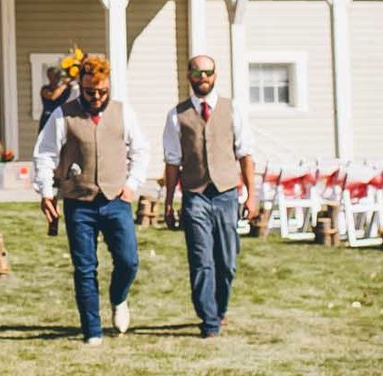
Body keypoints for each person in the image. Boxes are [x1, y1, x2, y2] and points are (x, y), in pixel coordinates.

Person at [31, 53, 153, 344]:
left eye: (102, 92)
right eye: (90, 92)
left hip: (115, 198)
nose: (96, 97)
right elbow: (45, 154)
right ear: (81, 87)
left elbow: (141, 150)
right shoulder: (64, 114)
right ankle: (92, 331)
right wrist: (47, 191)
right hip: (78, 200)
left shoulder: (124, 113)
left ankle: (118, 298)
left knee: (128, 261)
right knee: (85, 267)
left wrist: (132, 184)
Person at [160, 54, 261, 338]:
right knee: (201, 258)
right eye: (197, 72)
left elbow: (245, 153)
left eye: (208, 72)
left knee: (226, 261)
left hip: (227, 194)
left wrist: (252, 195)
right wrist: (169, 202)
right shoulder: (176, 115)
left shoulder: (232, 110)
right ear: (189, 76)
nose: (203, 78)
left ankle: (220, 308)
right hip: (195, 195)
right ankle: (209, 320)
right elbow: (172, 161)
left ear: (215, 75)